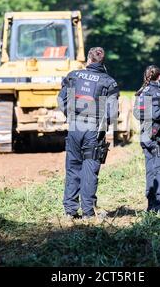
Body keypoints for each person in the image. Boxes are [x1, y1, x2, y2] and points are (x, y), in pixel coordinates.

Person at [57, 47, 119, 219]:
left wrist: (70, 117)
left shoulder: (73, 76)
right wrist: (104, 127)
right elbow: (112, 112)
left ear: (88, 59)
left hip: (75, 127)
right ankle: (88, 212)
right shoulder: (109, 82)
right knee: (90, 170)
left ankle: (70, 211)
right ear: (102, 62)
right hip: (93, 131)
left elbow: (61, 100)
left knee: (72, 168)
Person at [133, 65, 160, 213]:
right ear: (159, 76)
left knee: (150, 171)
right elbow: (159, 114)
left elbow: (136, 114)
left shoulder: (141, 92)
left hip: (145, 136)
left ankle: (151, 204)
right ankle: (158, 205)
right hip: (157, 137)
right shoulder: (157, 92)